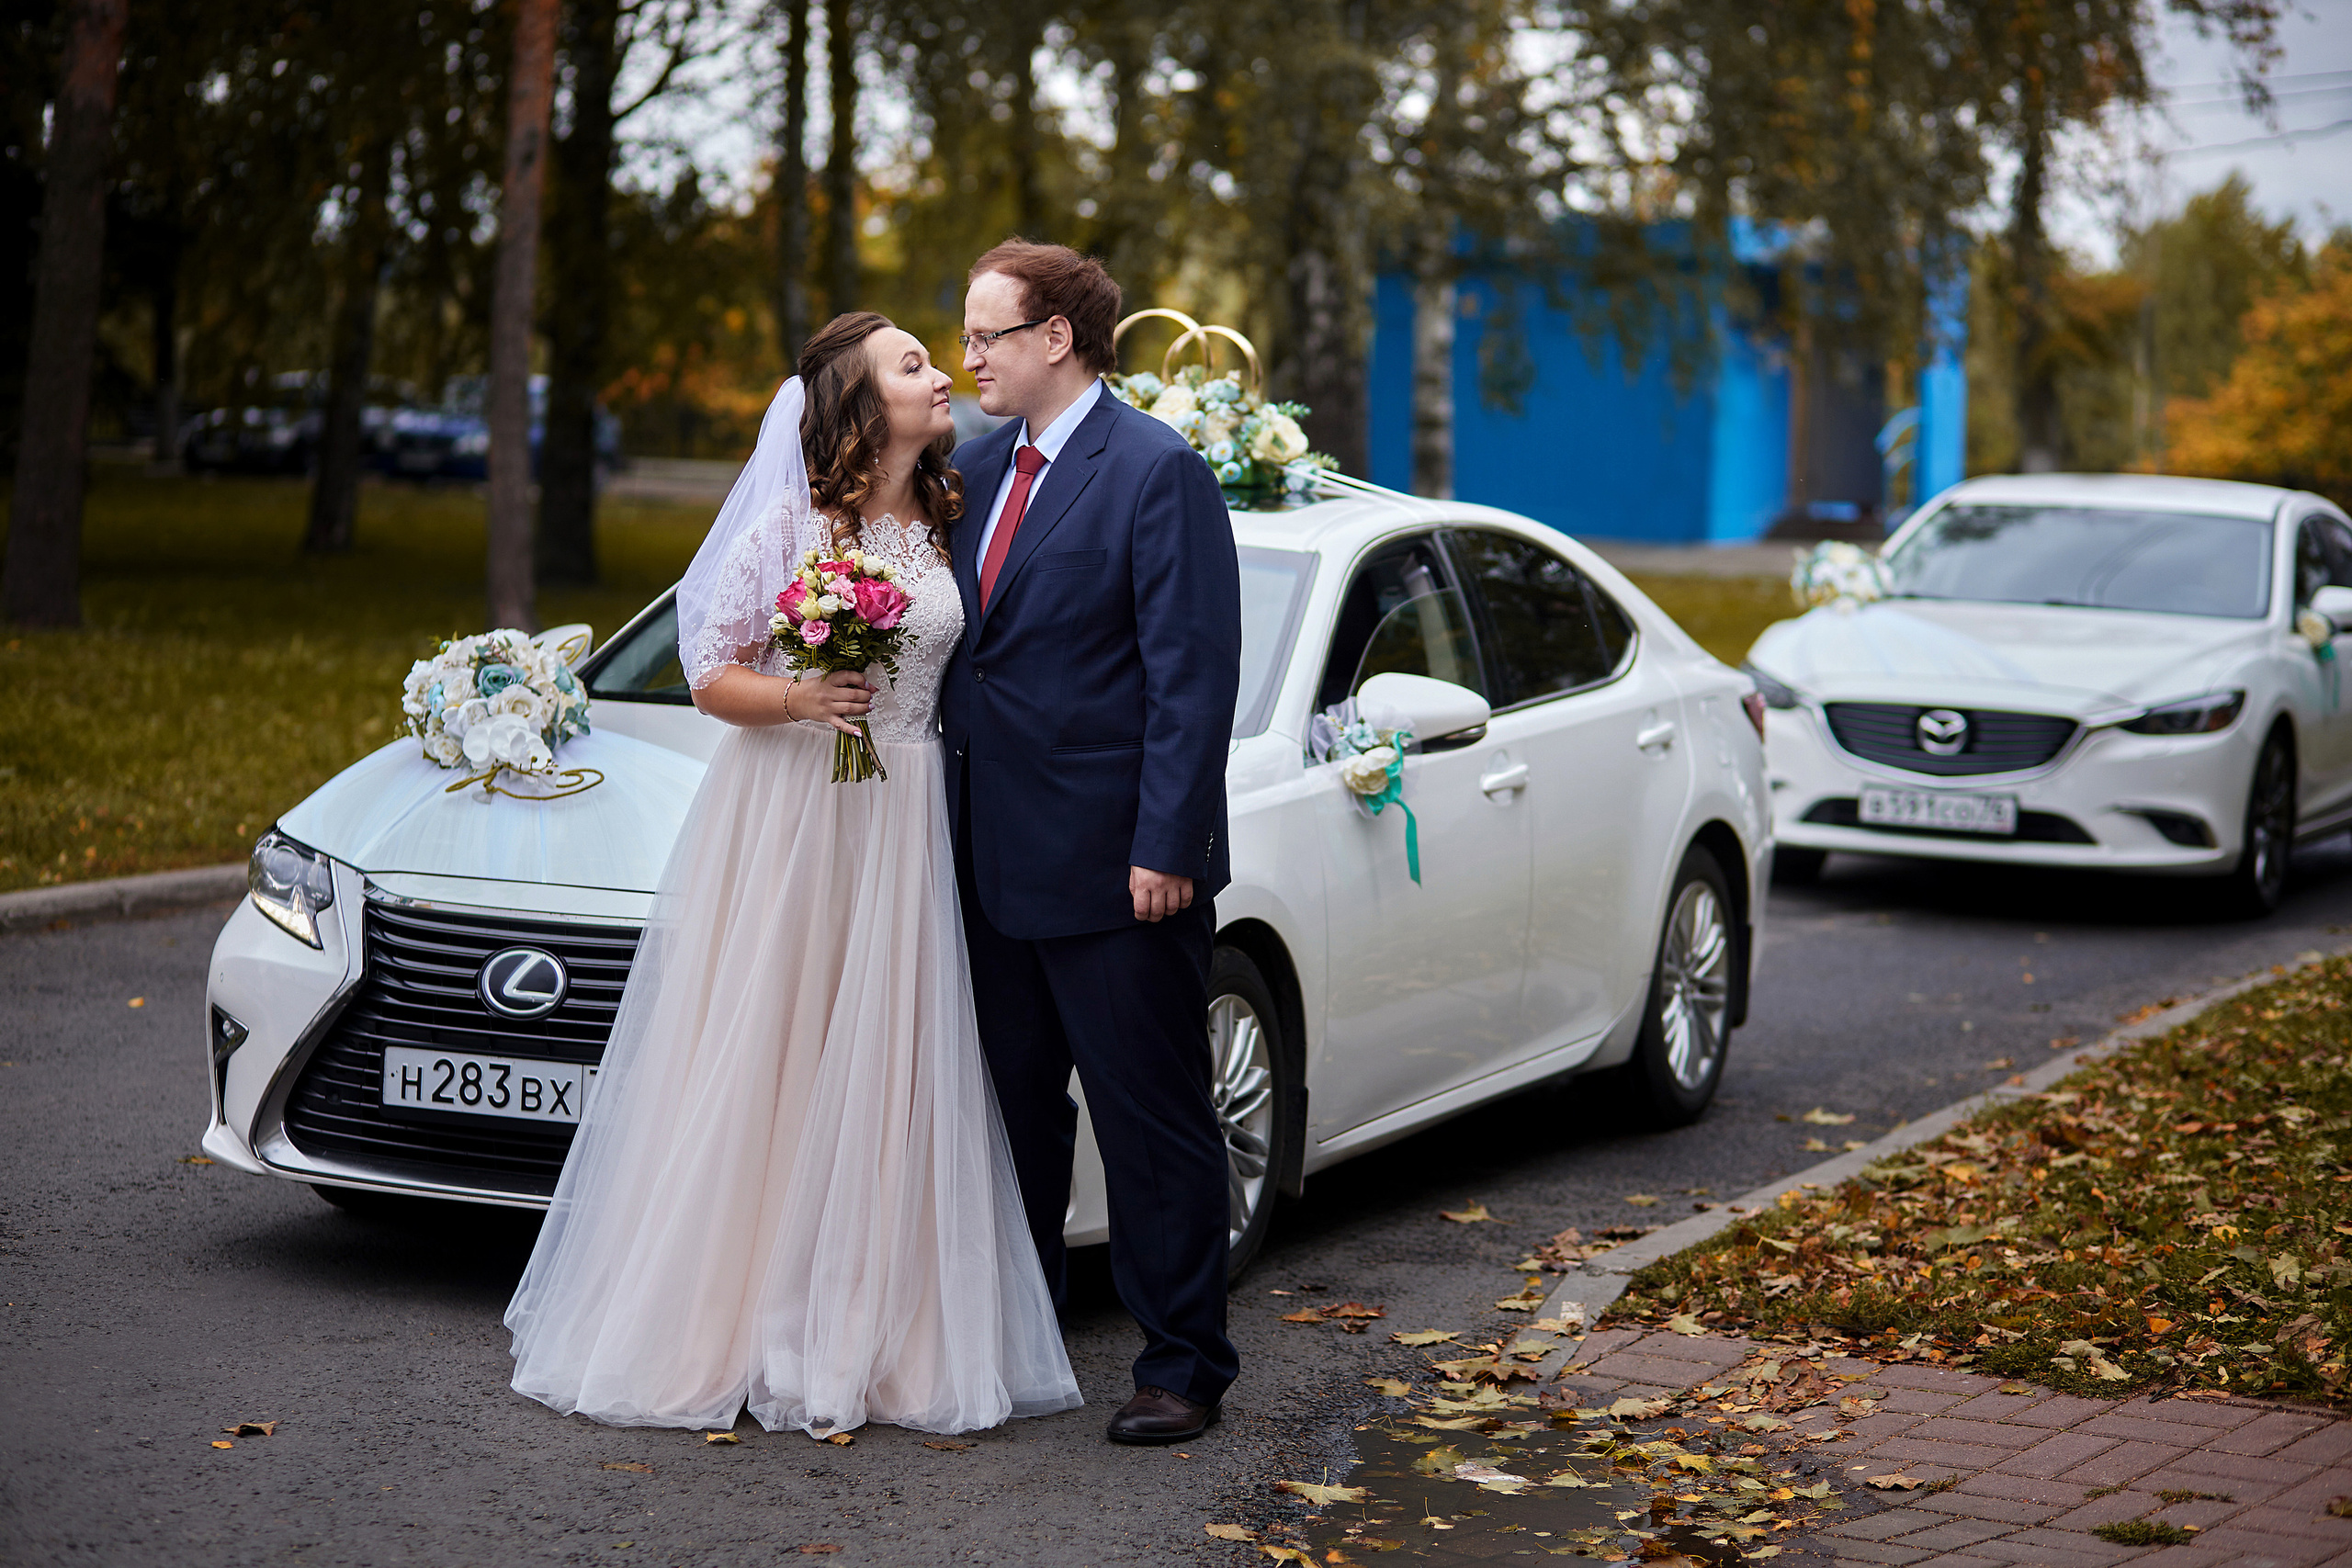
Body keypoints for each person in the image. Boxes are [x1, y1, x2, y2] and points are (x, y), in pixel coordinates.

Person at [503, 311, 1081, 1438]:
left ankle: (871, 1326)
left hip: (907, 814)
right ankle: (744, 1315)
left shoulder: (948, 518)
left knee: (885, 1062)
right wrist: (801, 697)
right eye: (913, 365)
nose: (942, 375)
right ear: (863, 407)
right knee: (781, 1049)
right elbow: (709, 672)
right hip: (797, 814)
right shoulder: (790, 526)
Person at [942, 241, 1245, 1446]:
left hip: (1124, 871)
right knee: (1010, 1115)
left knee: (1150, 1121)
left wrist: (1166, 845)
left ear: (1056, 336)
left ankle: (1183, 1363)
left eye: (986, 336)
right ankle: (1025, 1338)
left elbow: (1191, 677)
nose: (969, 359)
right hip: (983, 863)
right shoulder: (968, 469)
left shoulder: (1157, 470)